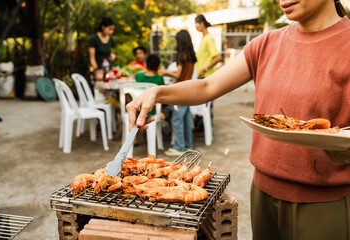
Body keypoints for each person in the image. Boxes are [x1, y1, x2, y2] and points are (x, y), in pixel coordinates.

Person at [126, 0, 350, 239]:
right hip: (262, 192)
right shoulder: (266, 44)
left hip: (324, 203)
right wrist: (157, 93)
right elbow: (208, 86)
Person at [162, 30, 197, 157]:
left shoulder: (182, 56)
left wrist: (166, 72)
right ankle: (188, 144)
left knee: (177, 119)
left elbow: (177, 74)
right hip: (189, 89)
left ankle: (179, 147)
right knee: (187, 118)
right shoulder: (191, 56)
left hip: (180, 89)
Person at [194, 14, 222, 79]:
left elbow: (218, 58)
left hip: (206, 76)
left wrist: (204, 69)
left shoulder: (208, 38)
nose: (195, 26)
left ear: (202, 23)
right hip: (201, 76)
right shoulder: (203, 38)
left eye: (196, 23)